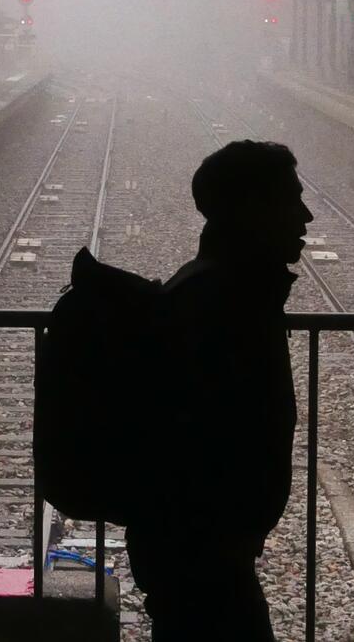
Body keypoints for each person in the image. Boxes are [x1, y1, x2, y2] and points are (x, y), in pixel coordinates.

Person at [126, 139, 312, 641]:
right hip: (202, 551)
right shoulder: (223, 302)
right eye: (292, 200)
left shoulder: (223, 288)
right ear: (251, 210)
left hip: (200, 549)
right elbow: (214, 437)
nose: (306, 216)